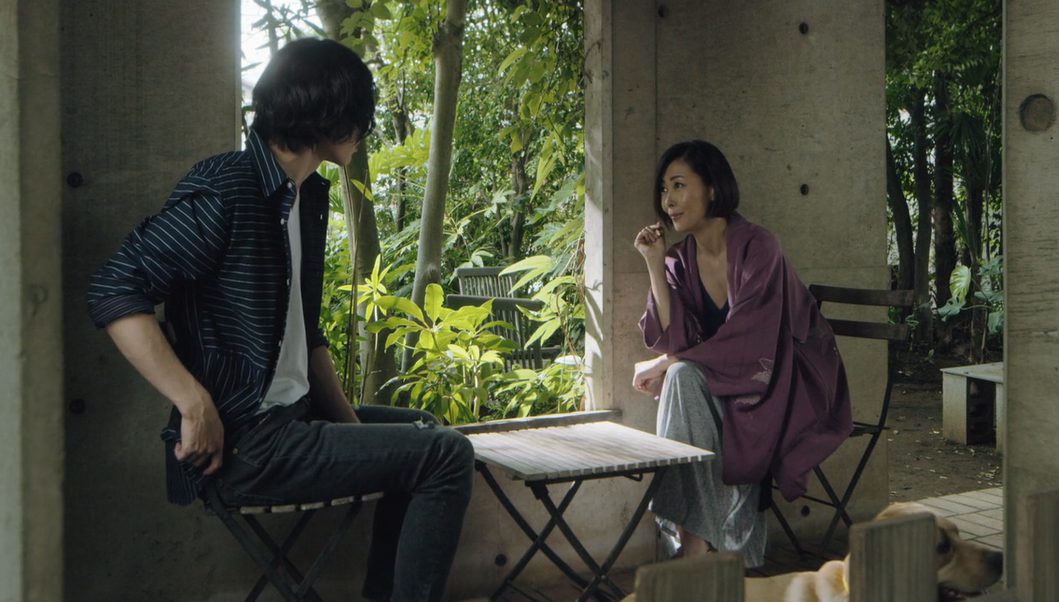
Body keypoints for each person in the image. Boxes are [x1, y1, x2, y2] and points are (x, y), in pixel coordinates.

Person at [87, 38, 474, 602]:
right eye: (357, 114)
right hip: (248, 442)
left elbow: (305, 334)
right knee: (446, 456)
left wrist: (354, 431)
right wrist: (194, 404)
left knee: (426, 430)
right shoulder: (228, 186)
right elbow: (115, 288)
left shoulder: (304, 197)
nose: (362, 129)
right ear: (325, 112)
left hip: (294, 418)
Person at [632, 140, 852, 568]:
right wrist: (654, 264)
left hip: (784, 384)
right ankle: (700, 546)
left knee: (681, 377)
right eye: (663, 189)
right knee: (683, 381)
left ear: (713, 188)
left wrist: (667, 362)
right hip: (729, 383)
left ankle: (694, 548)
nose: (668, 200)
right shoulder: (680, 259)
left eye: (679, 185)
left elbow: (753, 341)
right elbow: (676, 339)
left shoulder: (759, 246)